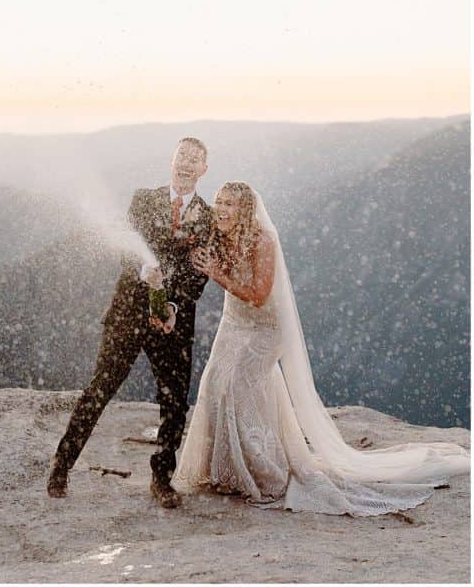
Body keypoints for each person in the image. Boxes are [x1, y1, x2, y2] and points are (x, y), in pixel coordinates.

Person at [175, 182, 470, 515]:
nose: (222, 209)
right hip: (234, 323)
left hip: (264, 327)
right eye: (219, 202)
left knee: (239, 386)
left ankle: (265, 474)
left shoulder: (263, 240)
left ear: (245, 210)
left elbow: (258, 295)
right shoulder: (218, 234)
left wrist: (216, 273)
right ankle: (226, 473)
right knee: (216, 383)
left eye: (230, 204)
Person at [48, 137, 215, 507]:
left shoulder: (207, 217)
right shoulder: (144, 199)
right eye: (182, 157)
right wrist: (145, 270)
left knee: (174, 403)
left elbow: (198, 275)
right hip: (127, 314)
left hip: (173, 324)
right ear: (171, 161)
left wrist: (170, 304)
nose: (186, 165)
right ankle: (62, 465)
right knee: (100, 390)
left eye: (195, 160)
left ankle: (162, 479)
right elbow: (126, 248)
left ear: (205, 169)